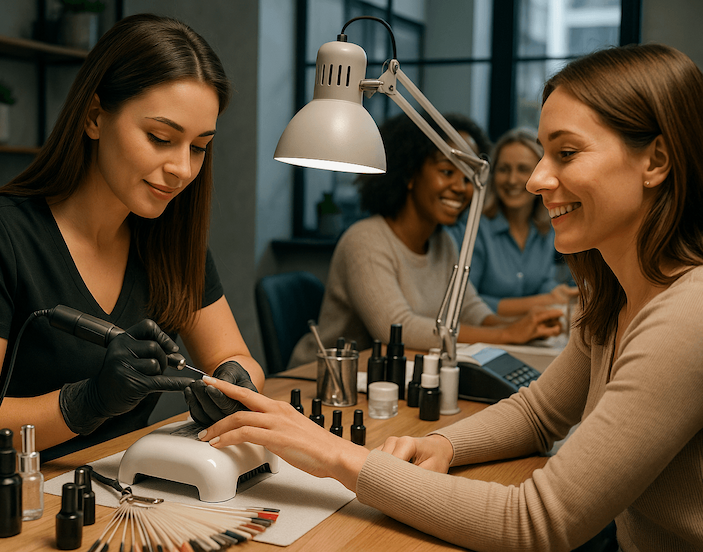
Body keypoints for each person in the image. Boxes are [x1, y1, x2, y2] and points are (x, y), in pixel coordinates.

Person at [200, 43, 703, 550]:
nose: (534, 180)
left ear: (656, 160)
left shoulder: (689, 315)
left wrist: (336, 456)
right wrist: (441, 442)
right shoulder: (613, 300)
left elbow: (536, 522)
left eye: (566, 153)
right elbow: (538, 414)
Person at [0, 14, 264, 467]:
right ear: (94, 118)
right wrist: (85, 403)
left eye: (199, 146)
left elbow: (234, 356)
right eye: (161, 138)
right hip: (14, 508)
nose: (183, 168)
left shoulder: (171, 239)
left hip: (125, 489)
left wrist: (233, 380)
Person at [288, 113, 564, 368]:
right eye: (447, 172)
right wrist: (507, 334)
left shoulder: (443, 243)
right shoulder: (365, 240)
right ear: (409, 174)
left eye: (468, 176)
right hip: (321, 381)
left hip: (387, 381)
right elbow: (396, 329)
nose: (460, 187)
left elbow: (469, 309)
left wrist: (525, 327)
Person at [447, 128, 578, 315]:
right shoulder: (473, 226)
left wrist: (557, 292)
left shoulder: (547, 227)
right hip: (482, 337)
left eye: (523, 169)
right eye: (503, 169)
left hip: (531, 338)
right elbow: (464, 301)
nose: (512, 179)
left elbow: (540, 283)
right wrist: (542, 301)